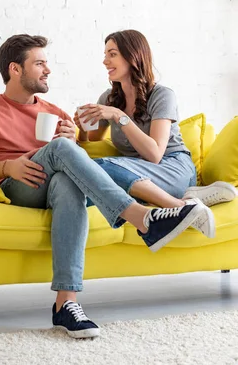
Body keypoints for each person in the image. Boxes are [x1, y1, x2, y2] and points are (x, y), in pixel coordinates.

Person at [0, 34, 213, 340]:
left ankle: (65, 304)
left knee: (68, 180)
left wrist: (74, 136)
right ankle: (143, 219)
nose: (48, 70)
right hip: (17, 186)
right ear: (15, 70)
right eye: (39, 63)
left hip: (53, 188)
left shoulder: (55, 113)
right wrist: (7, 166)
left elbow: (81, 150)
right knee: (62, 153)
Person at [74, 29, 237, 237]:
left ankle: (181, 201)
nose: (105, 61)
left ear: (132, 56)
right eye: (105, 54)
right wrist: (82, 129)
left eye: (112, 54)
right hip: (137, 176)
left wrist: (119, 116)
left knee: (99, 167)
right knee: (82, 181)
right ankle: (187, 202)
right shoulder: (109, 97)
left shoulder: (161, 95)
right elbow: (95, 139)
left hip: (172, 168)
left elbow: (155, 154)